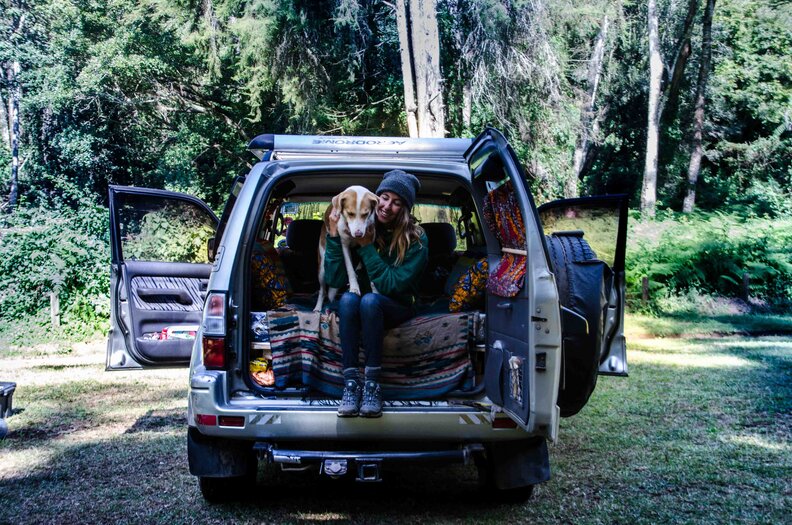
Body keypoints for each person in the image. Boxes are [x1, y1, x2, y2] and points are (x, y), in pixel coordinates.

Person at [323, 170, 428, 418]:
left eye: (397, 202)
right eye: (384, 197)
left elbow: (392, 285)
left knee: (369, 300)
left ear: (404, 209)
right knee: (348, 298)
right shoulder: (362, 224)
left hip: (397, 305)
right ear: (376, 198)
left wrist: (368, 248)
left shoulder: (418, 240)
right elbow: (334, 280)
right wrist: (334, 237)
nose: (387, 206)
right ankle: (350, 385)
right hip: (362, 304)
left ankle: (372, 385)